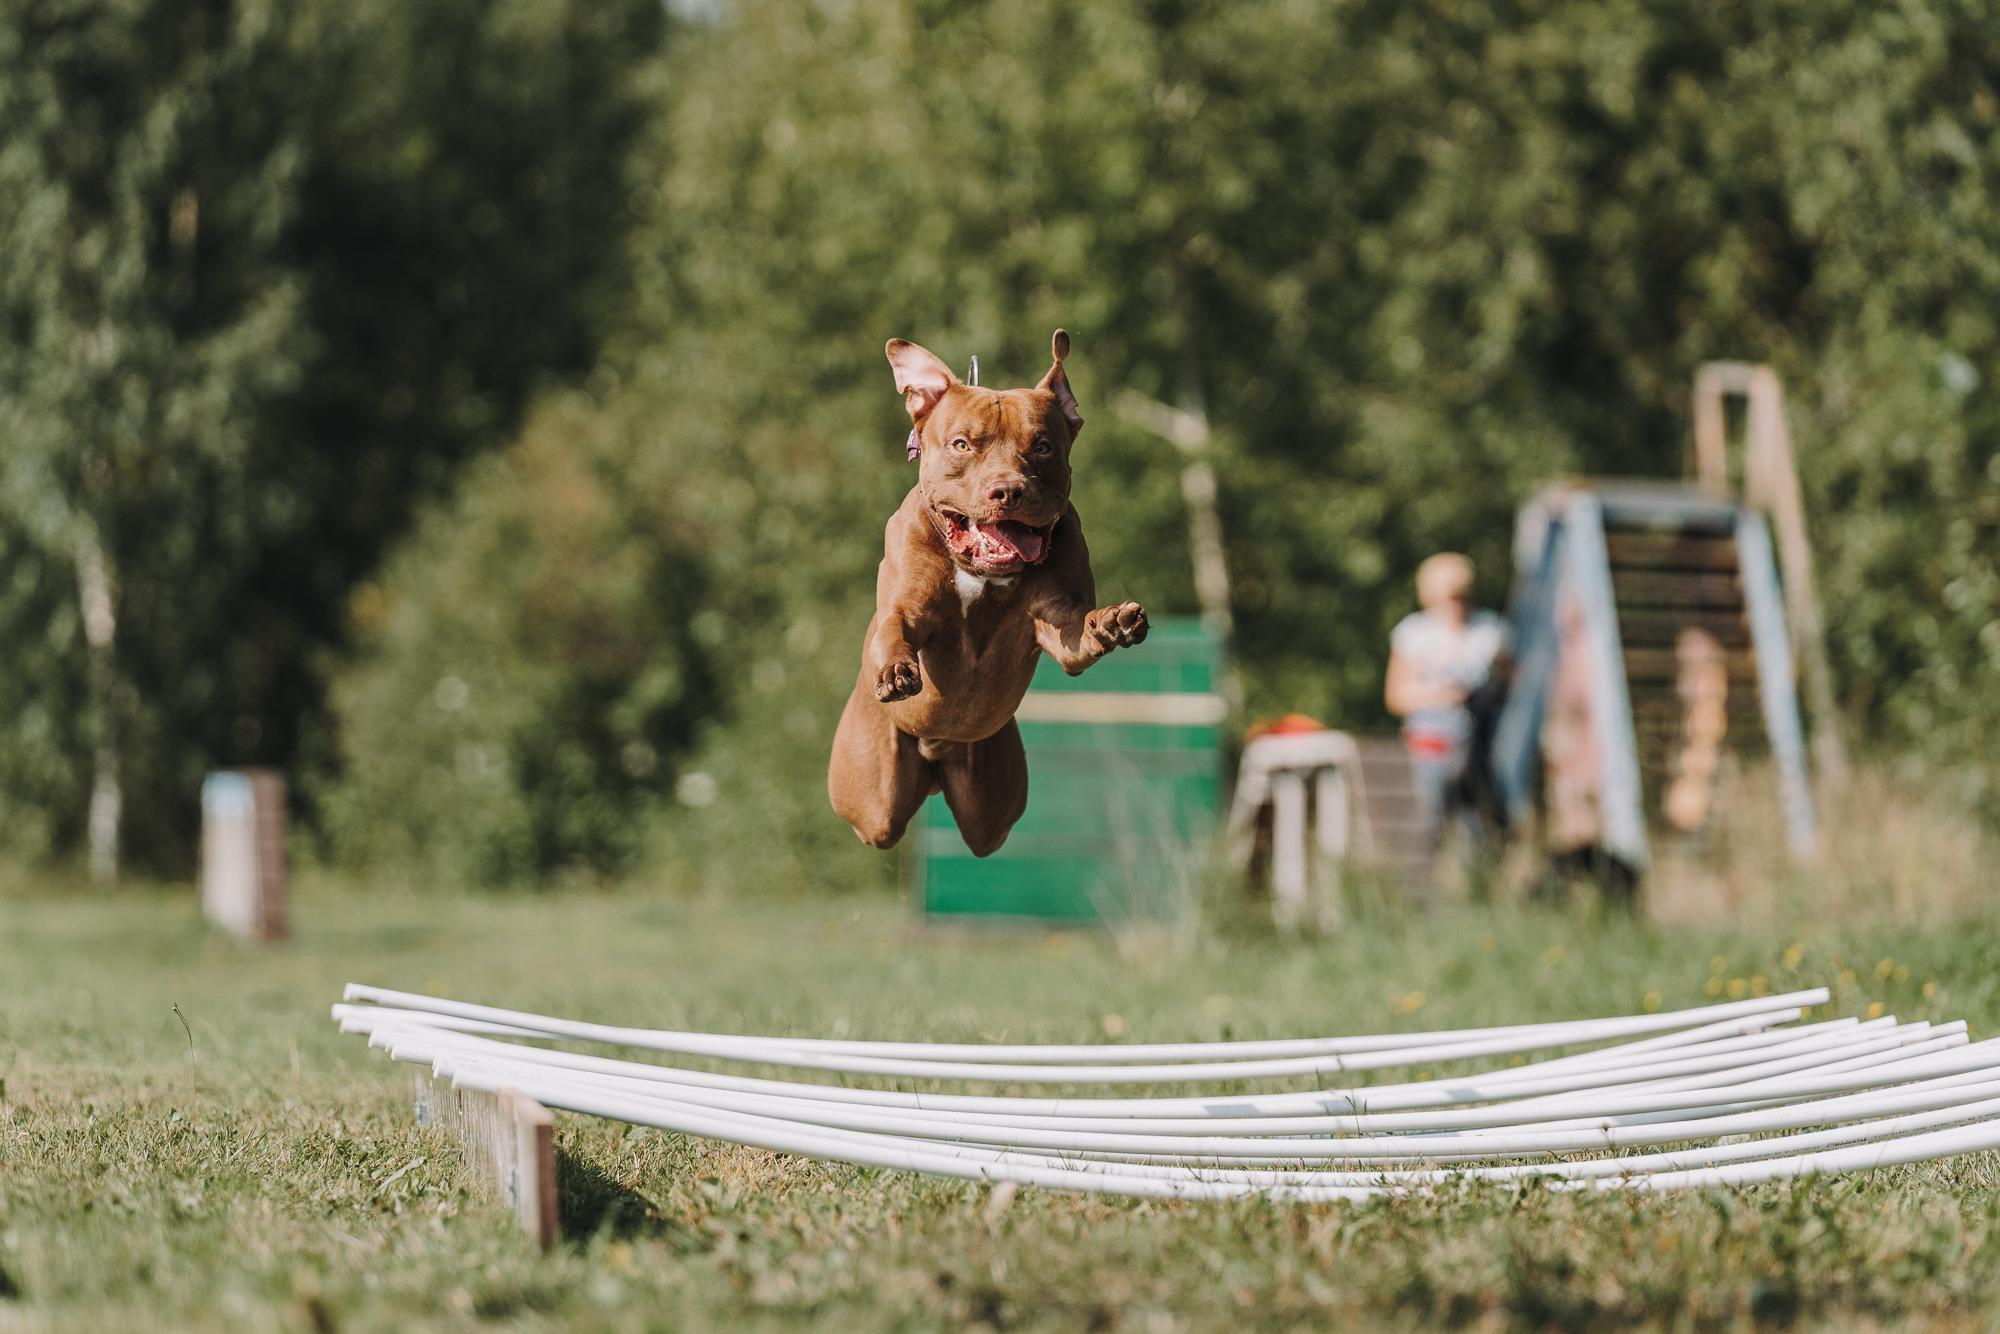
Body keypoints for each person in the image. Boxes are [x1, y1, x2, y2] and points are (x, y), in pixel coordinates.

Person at [1384, 553, 1510, 881]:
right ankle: (1422, 898)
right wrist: (1443, 695)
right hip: (1431, 746)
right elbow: (1395, 696)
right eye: (1447, 594)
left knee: (1478, 830)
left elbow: (1513, 685)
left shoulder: (1491, 631)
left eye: (1460, 594)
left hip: (1479, 748)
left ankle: (1477, 895)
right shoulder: (1414, 634)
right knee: (1427, 827)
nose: (1454, 602)